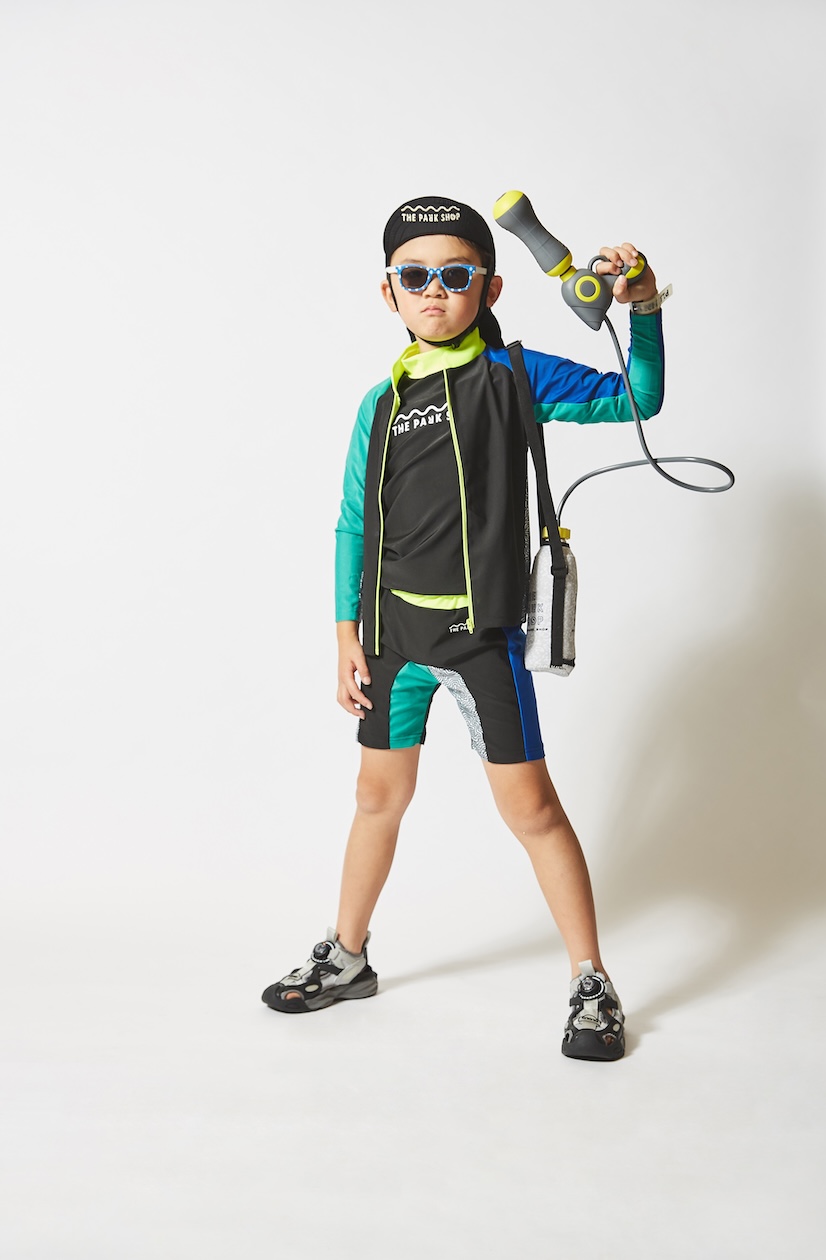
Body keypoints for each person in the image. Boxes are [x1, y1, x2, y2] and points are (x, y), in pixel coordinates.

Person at [262, 196, 665, 1060]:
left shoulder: (515, 375)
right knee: (377, 798)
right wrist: (345, 634)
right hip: (391, 640)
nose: (434, 291)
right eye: (415, 277)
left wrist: (643, 313)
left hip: (480, 639)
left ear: (490, 287)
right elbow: (352, 524)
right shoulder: (381, 402)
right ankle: (348, 954)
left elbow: (640, 397)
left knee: (533, 809)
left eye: (455, 275)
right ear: (389, 293)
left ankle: (590, 979)